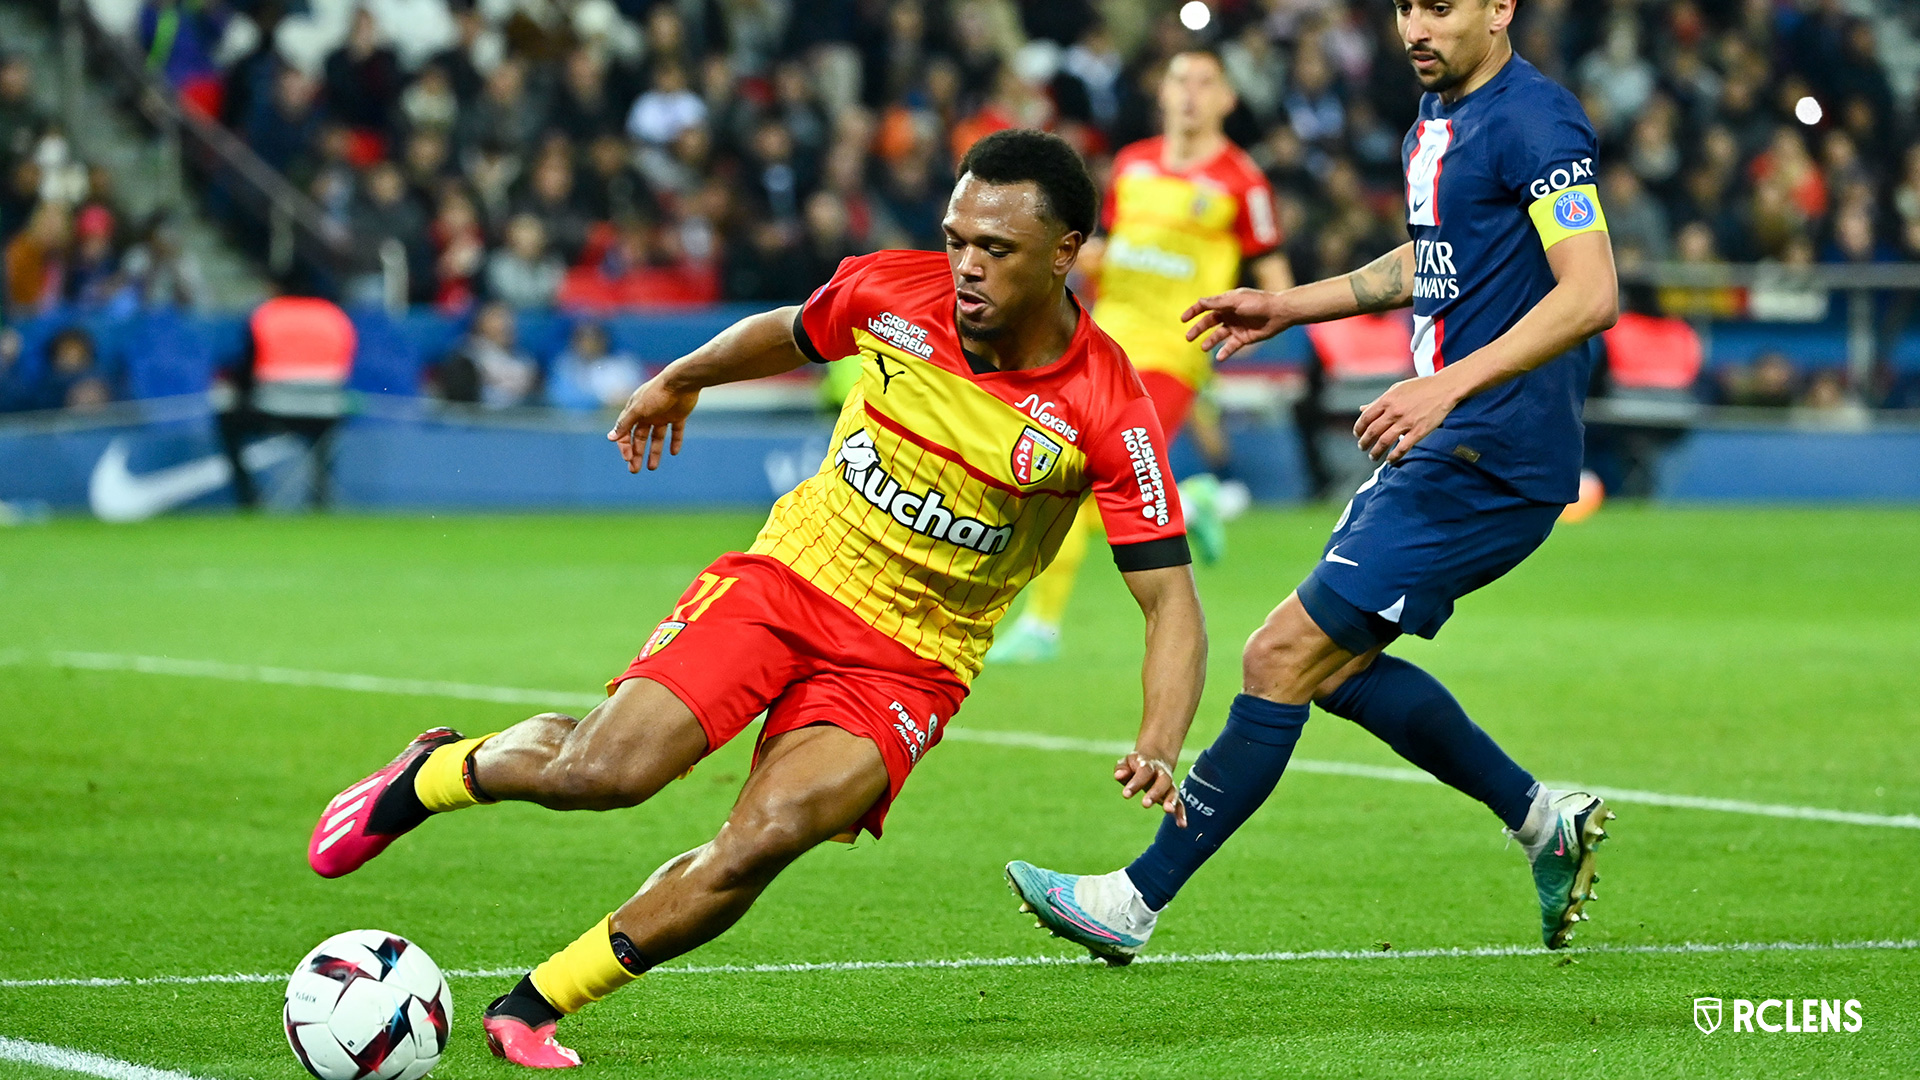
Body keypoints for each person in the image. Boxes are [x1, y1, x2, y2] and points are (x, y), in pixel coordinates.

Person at [304, 129, 1208, 1068]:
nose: (967, 267)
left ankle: (535, 1004)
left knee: (764, 837)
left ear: (1066, 253)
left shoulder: (1105, 406)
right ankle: (434, 771)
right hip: (790, 579)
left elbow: (1170, 600)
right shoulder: (891, 289)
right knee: (601, 775)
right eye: (956, 239)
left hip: (913, 660)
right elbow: (791, 329)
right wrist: (680, 377)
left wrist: (1158, 736)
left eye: (997, 249)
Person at [1007, 0, 1621, 963]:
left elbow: (1592, 292)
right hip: (1449, 439)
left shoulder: (1535, 121)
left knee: (1278, 658)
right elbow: (1437, 261)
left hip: (1489, 446)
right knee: (1331, 673)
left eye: (1442, 7)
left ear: (1501, 10)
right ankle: (1544, 818)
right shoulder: (1439, 117)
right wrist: (1288, 306)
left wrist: (1443, 385)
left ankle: (1133, 899)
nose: (1416, 26)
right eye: (1405, 7)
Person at [989, 48, 1291, 664]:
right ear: (1163, 91)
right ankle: (1190, 502)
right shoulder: (1132, 165)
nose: (1190, 93)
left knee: (1076, 475)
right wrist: (1092, 258)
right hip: (1107, 340)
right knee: (1075, 476)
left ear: (1227, 99)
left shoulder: (1241, 180)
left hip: (1175, 349)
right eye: (1180, 79)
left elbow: (1277, 280)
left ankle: (1041, 627)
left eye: (1205, 83)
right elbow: (1106, 247)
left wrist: (1251, 311)